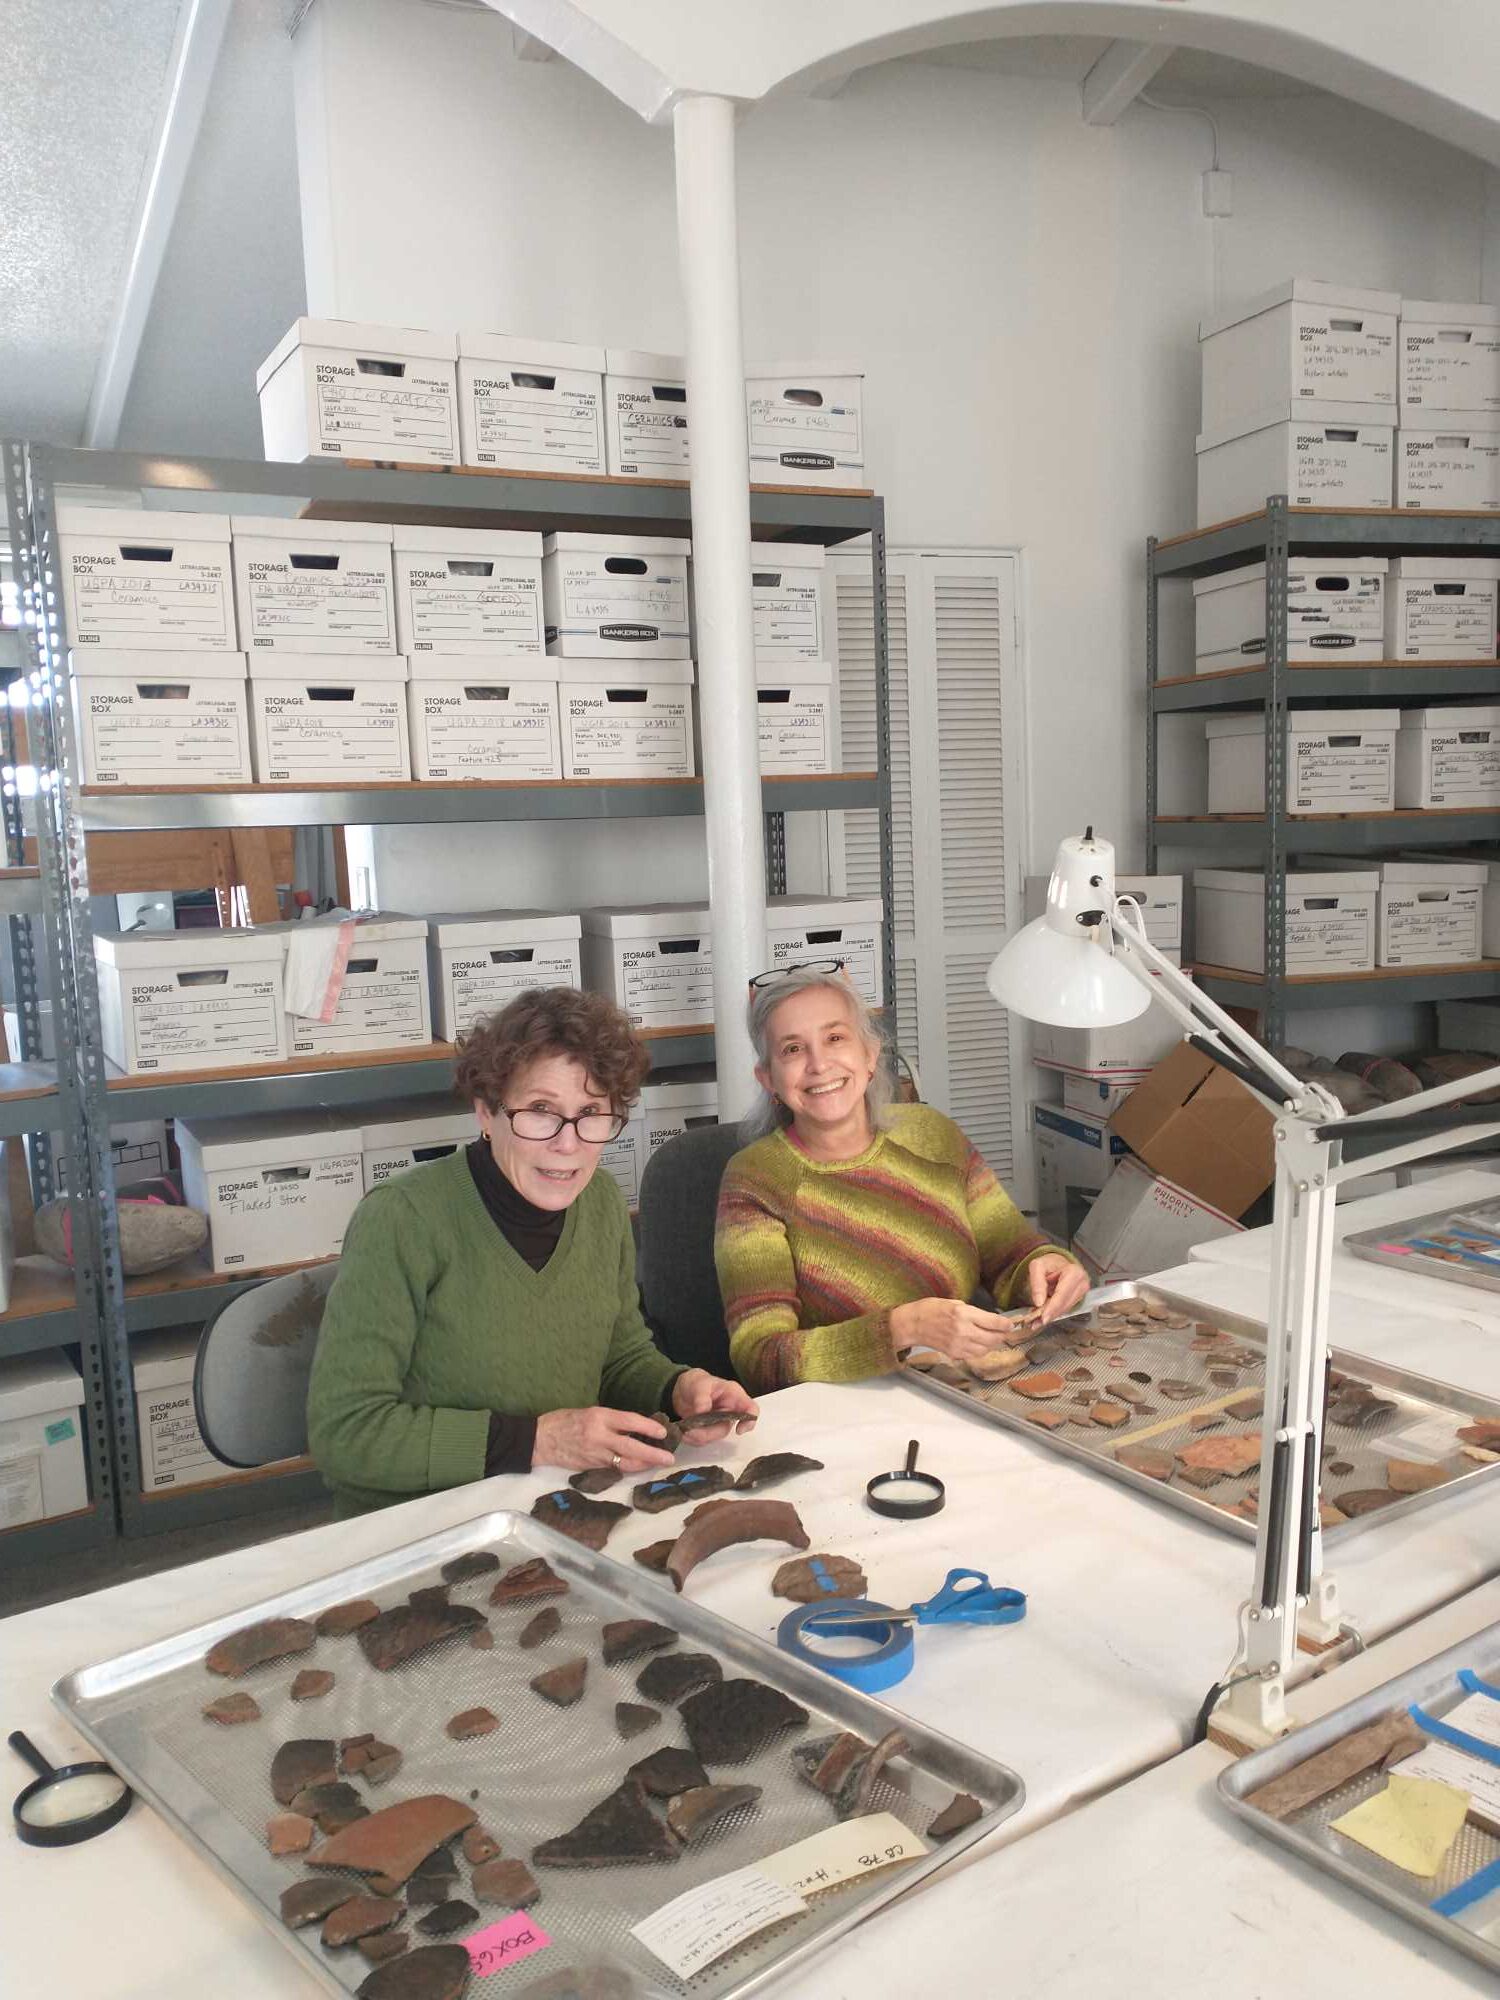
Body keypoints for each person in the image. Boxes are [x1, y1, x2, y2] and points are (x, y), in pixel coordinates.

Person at [308, 985, 755, 1516]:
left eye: (591, 1111)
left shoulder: (602, 1202)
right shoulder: (402, 1220)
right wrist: (539, 1439)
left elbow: (618, 1356)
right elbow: (346, 1434)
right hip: (416, 1523)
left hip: (548, 1501)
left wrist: (677, 1387)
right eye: (541, 1110)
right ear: (485, 1111)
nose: (568, 1144)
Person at [715, 963, 1089, 1393]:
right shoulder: (755, 1181)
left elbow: (1012, 1254)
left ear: (870, 1055)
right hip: (843, 1418)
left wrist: (1048, 1269)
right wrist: (902, 1328)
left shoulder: (933, 1136)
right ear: (768, 1080)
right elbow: (760, 1358)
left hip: (962, 1390)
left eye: (835, 1038)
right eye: (793, 1050)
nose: (819, 1064)